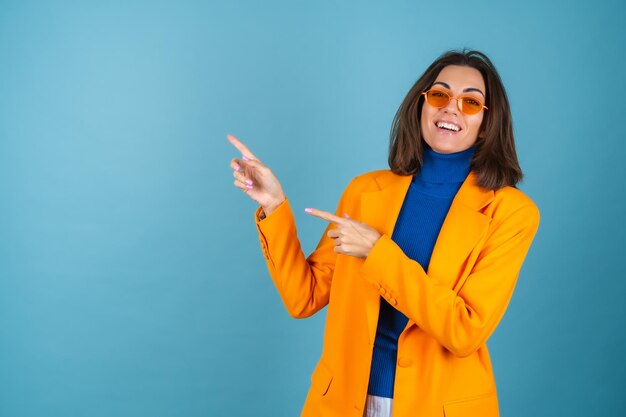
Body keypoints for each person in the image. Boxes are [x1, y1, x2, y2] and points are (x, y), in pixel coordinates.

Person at [228, 49, 539, 417]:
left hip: (439, 406)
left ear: (487, 123)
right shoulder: (365, 191)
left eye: (471, 102)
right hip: (344, 402)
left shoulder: (511, 212)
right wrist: (274, 206)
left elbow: (464, 331)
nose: (451, 109)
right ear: (421, 105)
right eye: (439, 95)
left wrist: (378, 252)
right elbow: (304, 297)